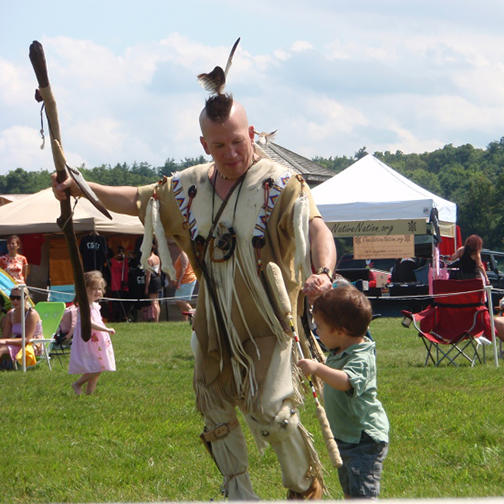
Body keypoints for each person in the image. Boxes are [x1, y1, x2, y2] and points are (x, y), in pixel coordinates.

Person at [52, 92, 335, 498]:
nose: (231, 153)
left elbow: (316, 229)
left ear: (252, 133)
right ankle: (239, 493)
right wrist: (79, 185)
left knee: (275, 412)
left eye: (238, 141)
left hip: (270, 323)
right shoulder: (189, 188)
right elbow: (135, 199)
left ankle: (304, 489)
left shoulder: (282, 184)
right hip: (214, 325)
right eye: (219, 145)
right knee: (215, 412)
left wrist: (323, 273)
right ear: (205, 145)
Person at [297, 285, 389, 499]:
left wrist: (318, 369)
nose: (316, 332)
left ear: (340, 331)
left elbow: (346, 381)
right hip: (346, 438)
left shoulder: (361, 356)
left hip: (363, 439)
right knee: (351, 491)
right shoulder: (340, 350)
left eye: (319, 327)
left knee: (362, 495)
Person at [69, 270, 116, 395]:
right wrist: (106, 329)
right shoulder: (84, 308)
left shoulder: (95, 306)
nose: (97, 292)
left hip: (97, 341)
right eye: (94, 289)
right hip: (89, 340)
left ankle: (89, 393)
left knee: (97, 367)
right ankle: (77, 384)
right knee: (98, 367)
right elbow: (89, 323)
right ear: (85, 290)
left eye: (99, 289)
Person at [0, 286, 42, 369]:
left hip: (31, 344)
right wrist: (4, 341)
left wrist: (4, 341)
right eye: (12, 298)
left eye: (18, 298)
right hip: (16, 342)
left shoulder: (31, 314)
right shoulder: (10, 314)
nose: (15, 301)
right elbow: (5, 336)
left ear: (26, 298)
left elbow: (26, 339)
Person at [167, 240, 197, 320]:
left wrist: (179, 282)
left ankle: (193, 313)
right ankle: (186, 320)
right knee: (181, 301)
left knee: (179, 300)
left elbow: (184, 269)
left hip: (187, 280)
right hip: (184, 280)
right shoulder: (182, 254)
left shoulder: (184, 254)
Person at [144, 244, 162, 322]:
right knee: (156, 301)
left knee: (153, 302)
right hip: (158, 279)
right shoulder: (157, 258)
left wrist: (146, 287)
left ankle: (156, 320)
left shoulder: (149, 260)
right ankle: (157, 319)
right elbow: (159, 271)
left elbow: (148, 275)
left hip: (153, 280)